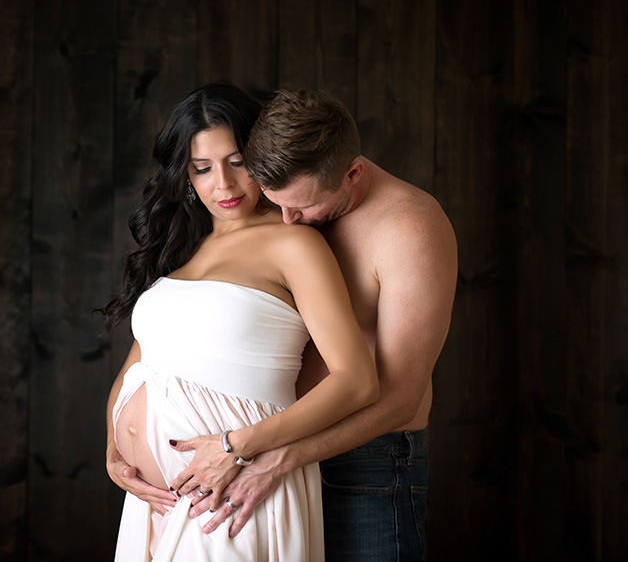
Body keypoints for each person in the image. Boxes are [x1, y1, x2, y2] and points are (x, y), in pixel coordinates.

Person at [170, 89, 458, 561]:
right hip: (268, 449)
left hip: (365, 464)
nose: (289, 221)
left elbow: (402, 398)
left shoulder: (409, 228)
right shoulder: (289, 196)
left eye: (303, 208)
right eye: (277, 203)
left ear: (352, 174)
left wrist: (275, 458)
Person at [100, 83, 380, 561]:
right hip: (156, 501)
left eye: (237, 162)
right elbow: (140, 364)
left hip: (234, 490)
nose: (224, 185)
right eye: (202, 168)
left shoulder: (294, 245)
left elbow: (357, 381)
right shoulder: (183, 246)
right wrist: (113, 450)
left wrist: (235, 447)